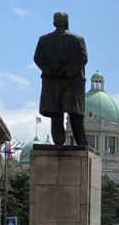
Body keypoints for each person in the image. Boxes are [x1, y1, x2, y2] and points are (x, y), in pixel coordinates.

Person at [34, 12, 88, 146]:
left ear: (54, 23)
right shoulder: (77, 39)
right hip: (72, 82)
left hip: (53, 81)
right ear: (67, 22)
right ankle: (81, 142)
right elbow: (82, 59)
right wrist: (66, 70)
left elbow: (38, 58)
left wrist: (51, 69)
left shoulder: (44, 40)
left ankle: (59, 141)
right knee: (75, 114)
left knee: (56, 114)